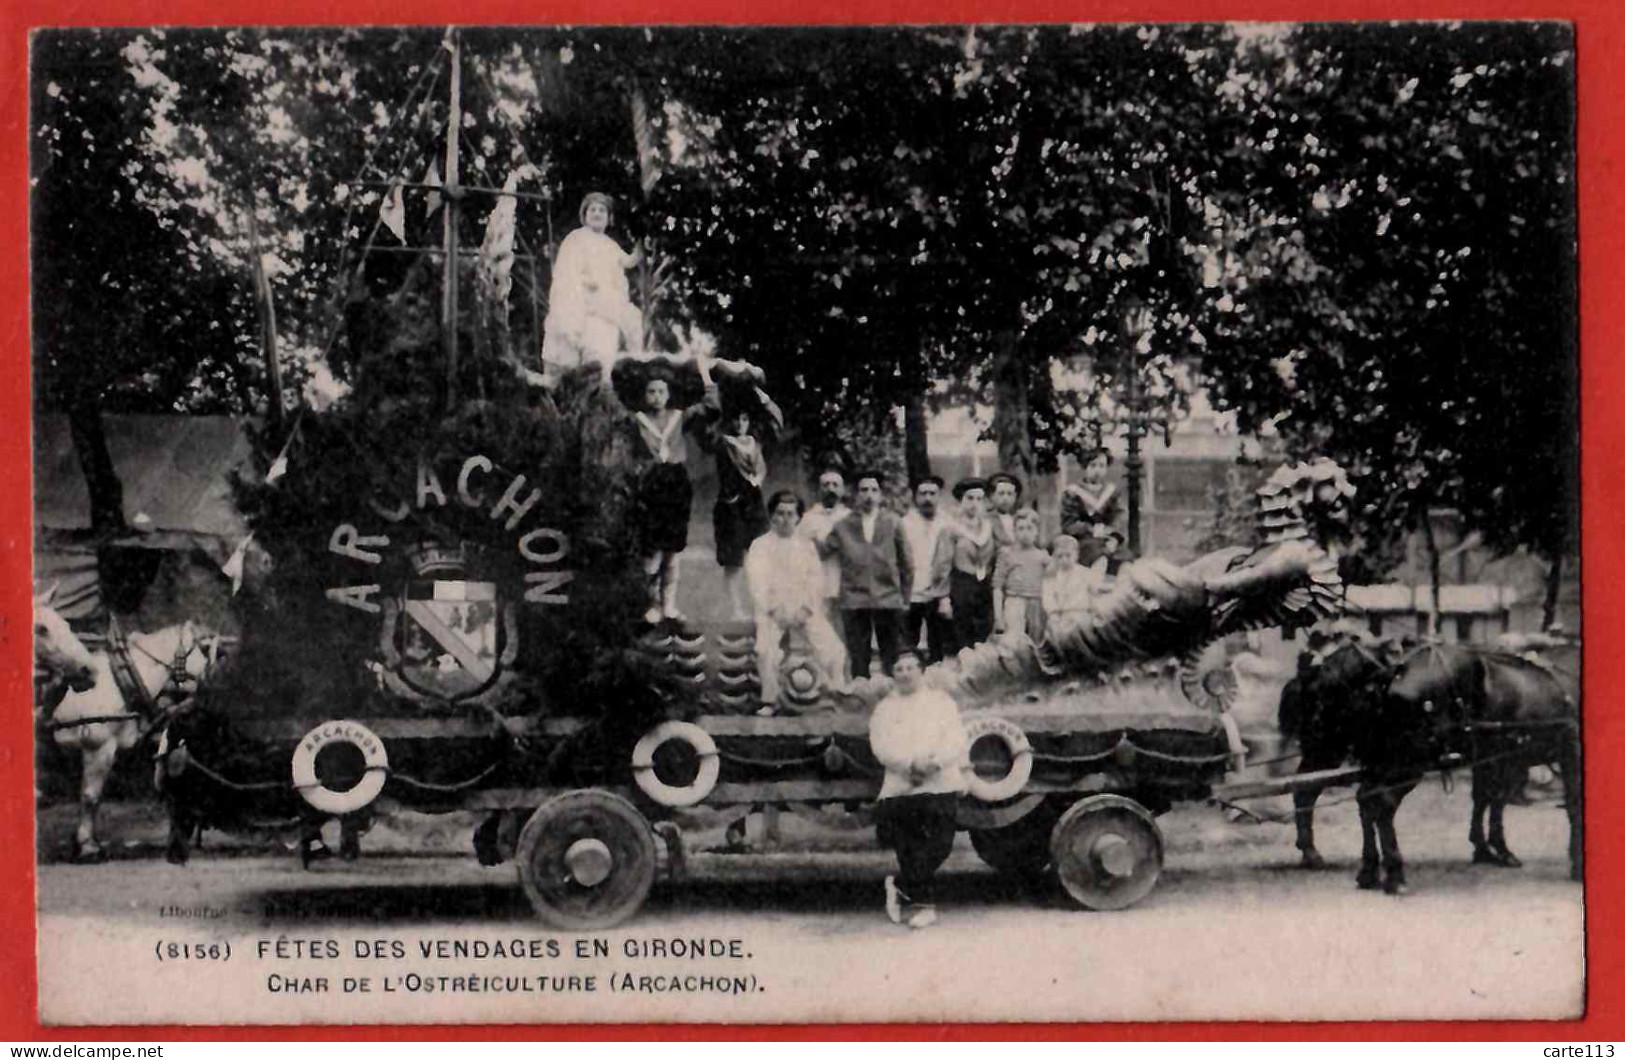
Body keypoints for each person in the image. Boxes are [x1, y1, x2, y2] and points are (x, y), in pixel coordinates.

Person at [869, 649, 969, 929]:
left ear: (922, 671)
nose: (904, 673)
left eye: (910, 668)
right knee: (910, 847)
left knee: (940, 845)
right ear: (893, 675)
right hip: (902, 784)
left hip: (940, 780)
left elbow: (956, 737)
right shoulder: (885, 708)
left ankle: (900, 884)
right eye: (899, 669)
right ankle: (924, 906)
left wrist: (934, 763)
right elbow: (881, 745)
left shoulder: (941, 702)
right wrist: (910, 764)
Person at [631, 367, 720, 625]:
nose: (656, 396)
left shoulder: (680, 417)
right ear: (645, 395)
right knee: (651, 552)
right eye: (651, 392)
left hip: (676, 484)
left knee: (672, 549)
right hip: (650, 484)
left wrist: (705, 376)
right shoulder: (637, 420)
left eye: (661, 391)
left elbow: (711, 408)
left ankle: (669, 606)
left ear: (668, 394)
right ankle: (652, 607)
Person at [744, 491, 847, 714]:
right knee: (765, 650)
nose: (785, 519)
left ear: (798, 517)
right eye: (780, 513)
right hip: (772, 610)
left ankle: (835, 694)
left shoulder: (806, 545)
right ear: (772, 515)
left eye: (790, 514)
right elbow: (756, 581)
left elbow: (816, 580)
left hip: (803, 609)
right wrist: (774, 608)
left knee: (835, 650)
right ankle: (770, 700)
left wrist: (806, 609)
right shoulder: (760, 545)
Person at [818, 471, 913, 679]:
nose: (869, 495)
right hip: (854, 598)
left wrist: (905, 597)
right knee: (858, 656)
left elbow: (906, 562)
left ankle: (893, 700)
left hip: (887, 597)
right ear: (856, 495)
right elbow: (821, 551)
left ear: (880, 495)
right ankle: (860, 699)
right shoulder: (843, 525)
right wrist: (807, 529)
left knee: (891, 655)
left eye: (874, 490)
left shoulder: (893, 522)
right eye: (864, 490)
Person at [541, 192, 646, 378]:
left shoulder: (610, 244)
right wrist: (586, 283)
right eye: (593, 210)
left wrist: (643, 237)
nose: (597, 214)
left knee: (628, 322)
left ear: (608, 217)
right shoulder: (576, 238)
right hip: (581, 298)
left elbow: (629, 261)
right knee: (574, 346)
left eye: (602, 211)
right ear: (585, 215)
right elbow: (566, 272)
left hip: (605, 302)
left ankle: (632, 368)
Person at [707, 407, 769, 621]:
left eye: (744, 418)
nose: (740, 423)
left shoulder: (755, 444)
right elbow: (707, 433)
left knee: (759, 558)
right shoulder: (723, 444)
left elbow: (775, 424)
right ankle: (735, 609)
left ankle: (760, 608)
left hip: (754, 506)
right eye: (736, 419)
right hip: (731, 506)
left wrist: (762, 399)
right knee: (733, 560)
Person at [930, 478, 1000, 651]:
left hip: (985, 587)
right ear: (961, 501)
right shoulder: (951, 529)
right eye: (970, 498)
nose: (974, 504)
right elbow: (942, 565)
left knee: (984, 636)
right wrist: (943, 597)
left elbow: (1000, 557)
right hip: (961, 586)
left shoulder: (989, 528)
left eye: (979, 499)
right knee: (963, 637)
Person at [796, 467, 852, 678]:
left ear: (843, 489)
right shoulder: (808, 519)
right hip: (817, 585)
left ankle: (844, 679)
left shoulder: (849, 518)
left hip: (844, 583)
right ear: (818, 490)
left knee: (844, 632)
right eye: (826, 485)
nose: (830, 489)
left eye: (835, 485)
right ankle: (821, 678)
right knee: (819, 631)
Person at [900, 475, 955, 662]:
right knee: (908, 642)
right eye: (923, 493)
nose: (928, 498)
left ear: (939, 496)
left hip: (937, 591)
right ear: (915, 497)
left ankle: (936, 679)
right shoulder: (905, 524)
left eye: (932, 493)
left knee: (937, 643)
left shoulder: (947, 523)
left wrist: (945, 594)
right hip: (911, 591)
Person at [993, 508, 1049, 642]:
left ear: (1036, 531)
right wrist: (998, 616)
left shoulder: (1043, 557)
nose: (1025, 533)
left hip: (1037, 603)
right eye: (1021, 528)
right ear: (1014, 531)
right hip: (1014, 602)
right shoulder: (1006, 554)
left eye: (1030, 528)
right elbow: (997, 587)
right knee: (1013, 642)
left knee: (1037, 642)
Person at [1062, 449, 1123, 566]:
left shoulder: (1111, 491)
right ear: (1085, 467)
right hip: (1082, 539)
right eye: (1093, 465)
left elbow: (1118, 516)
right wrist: (1090, 529)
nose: (1097, 470)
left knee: (1125, 557)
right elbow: (1068, 523)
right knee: (1095, 554)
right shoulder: (1073, 492)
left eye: (1102, 466)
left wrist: (1114, 537)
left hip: (1107, 537)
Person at [1041, 533, 1100, 631]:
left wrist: (1095, 613)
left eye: (1068, 555)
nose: (1064, 560)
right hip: (1060, 617)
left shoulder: (1086, 573)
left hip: (1081, 615)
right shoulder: (1051, 576)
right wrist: (1053, 615)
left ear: (1076, 555)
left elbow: (1094, 595)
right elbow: (1048, 599)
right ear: (1054, 557)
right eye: (1060, 556)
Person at [987, 471, 1026, 552]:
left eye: (1009, 494)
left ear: (1015, 497)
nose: (1005, 498)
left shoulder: (1021, 517)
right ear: (991, 496)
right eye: (1001, 494)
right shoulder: (987, 519)